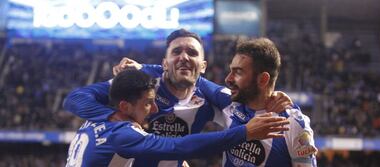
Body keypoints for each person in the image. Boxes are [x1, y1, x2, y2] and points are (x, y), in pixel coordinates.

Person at [63, 29, 292, 166]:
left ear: (203, 66)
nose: (184, 57)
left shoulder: (208, 94)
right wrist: (114, 117)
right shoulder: (142, 81)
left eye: (192, 53)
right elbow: (75, 98)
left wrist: (277, 99)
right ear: (164, 63)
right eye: (176, 52)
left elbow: (250, 99)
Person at [65, 69, 290, 167]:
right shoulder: (122, 133)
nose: (153, 110)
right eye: (146, 103)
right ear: (124, 105)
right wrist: (245, 132)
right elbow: (178, 146)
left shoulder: (94, 115)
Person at [203, 38, 318, 167]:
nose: (228, 79)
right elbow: (197, 81)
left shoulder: (293, 124)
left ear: (263, 79)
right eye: (231, 71)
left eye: (238, 72)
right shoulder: (229, 102)